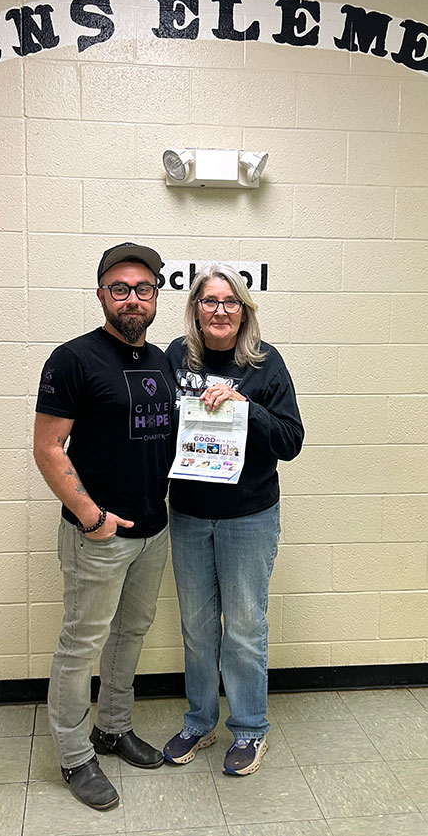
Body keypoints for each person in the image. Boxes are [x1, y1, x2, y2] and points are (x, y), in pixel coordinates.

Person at [33, 242, 175, 811]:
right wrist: (92, 518)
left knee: (131, 632)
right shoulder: (73, 360)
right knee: (81, 642)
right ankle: (74, 755)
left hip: (154, 529)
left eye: (143, 289)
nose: (132, 299)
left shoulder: (162, 359)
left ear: (156, 297)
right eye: (120, 289)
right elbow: (47, 448)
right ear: (102, 295)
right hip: (99, 533)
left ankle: (113, 728)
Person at [162, 262, 304, 776]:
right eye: (209, 301)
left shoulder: (266, 364)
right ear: (195, 309)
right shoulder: (177, 359)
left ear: (244, 311)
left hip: (249, 517)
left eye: (229, 302)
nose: (219, 311)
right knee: (198, 628)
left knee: (244, 627)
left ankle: (249, 729)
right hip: (191, 515)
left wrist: (247, 406)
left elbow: (292, 441)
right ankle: (200, 721)